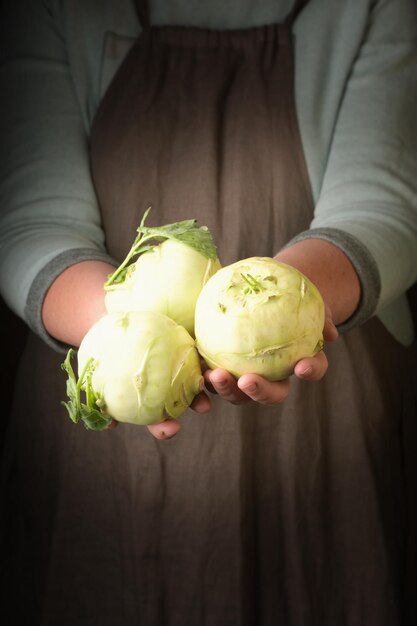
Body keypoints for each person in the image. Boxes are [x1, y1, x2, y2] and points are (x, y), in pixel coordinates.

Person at [1, 0, 417, 624]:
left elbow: (386, 208)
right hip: (102, 425)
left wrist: (286, 310)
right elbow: (29, 219)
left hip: (330, 425)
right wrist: (118, 344)